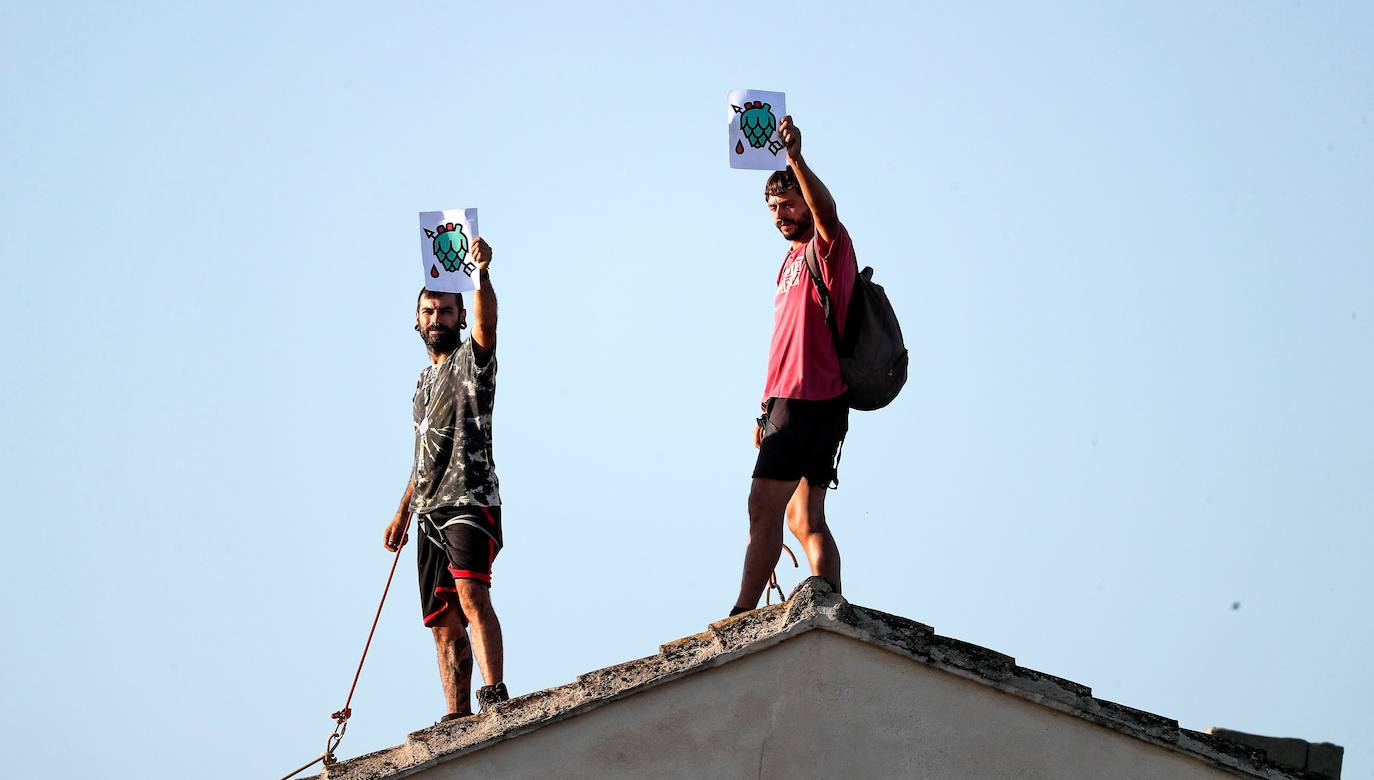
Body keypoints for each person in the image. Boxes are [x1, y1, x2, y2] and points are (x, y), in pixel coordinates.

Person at [732, 115, 859, 616]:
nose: (779, 214)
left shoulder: (828, 247)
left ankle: (742, 614)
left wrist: (797, 160)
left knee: (763, 505)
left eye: (787, 204)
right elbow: (783, 343)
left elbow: (829, 211)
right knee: (804, 519)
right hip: (795, 401)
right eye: (772, 207)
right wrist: (765, 411)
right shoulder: (788, 262)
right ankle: (830, 609)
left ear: (806, 200)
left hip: (809, 397)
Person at [383, 237, 509, 720]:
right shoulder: (420, 385)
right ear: (417, 321)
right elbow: (423, 454)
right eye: (428, 311)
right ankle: (456, 717)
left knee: (472, 593)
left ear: (459, 317)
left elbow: (488, 323)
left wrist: (481, 274)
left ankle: (495, 697)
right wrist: (401, 511)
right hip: (428, 507)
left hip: (470, 495)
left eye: (446, 310)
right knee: (441, 621)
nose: (437, 318)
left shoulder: (471, 361)